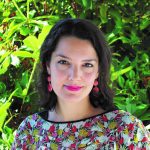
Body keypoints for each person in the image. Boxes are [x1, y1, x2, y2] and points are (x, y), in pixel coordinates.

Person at [11, 18, 150, 149]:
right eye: (64, 62)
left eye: (87, 65)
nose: (75, 76)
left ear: (98, 71)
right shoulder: (29, 131)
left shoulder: (126, 130)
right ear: (48, 65)